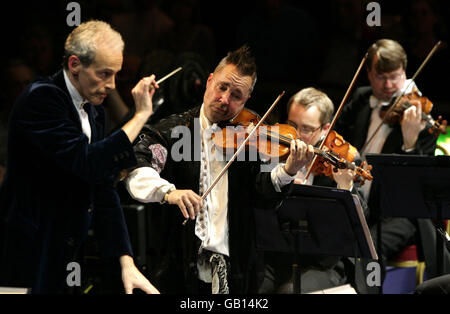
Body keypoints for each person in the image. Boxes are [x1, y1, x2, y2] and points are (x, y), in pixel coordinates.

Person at [124, 45, 315, 294]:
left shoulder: (253, 134)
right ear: (209, 81)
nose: (225, 99)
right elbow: (138, 168)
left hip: (237, 269)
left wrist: (289, 170)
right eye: (222, 87)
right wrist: (169, 192)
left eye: (236, 95)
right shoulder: (174, 130)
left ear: (246, 99)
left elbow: (263, 195)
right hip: (179, 268)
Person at [0, 20, 160, 294]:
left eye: (116, 75)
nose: (111, 85)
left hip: (68, 252)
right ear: (75, 65)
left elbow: (102, 185)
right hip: (26, 252)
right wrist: (141, 115)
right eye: (104, 74)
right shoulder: (40, 98)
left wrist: (126, 260)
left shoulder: (94, 110)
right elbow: (86, 162)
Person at [335, 39, 449, 289]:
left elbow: (420, 187)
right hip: (354, 198)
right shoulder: (362, 98)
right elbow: (337, 137)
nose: (387, 86)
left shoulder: (422, 115)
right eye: (380, 77)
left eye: (394, 77)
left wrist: (410, 142)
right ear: (369, 73)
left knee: (369, 246)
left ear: (405, 73)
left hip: (398, 212)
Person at [258, 87, 368, 293]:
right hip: (275, 258)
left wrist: (345, 187)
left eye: (307, 129)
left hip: (321, 264)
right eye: (291, 125)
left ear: (325, 129)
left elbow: (361, 220)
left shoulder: (341, 159)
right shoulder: (272, 154)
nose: (296, 136)